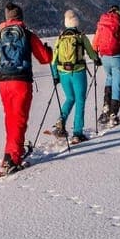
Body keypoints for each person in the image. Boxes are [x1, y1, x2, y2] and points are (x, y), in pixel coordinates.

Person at [0, 2, 53, 176]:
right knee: (19, 120)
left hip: (4, 82)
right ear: (21, 17)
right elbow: (44, 59)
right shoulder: (27, 35)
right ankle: (13, 159)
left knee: (10, 119)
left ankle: (11, 152)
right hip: (21, 81)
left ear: (7, 19)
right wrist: (48, 51)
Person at [50, 9, 102, 144]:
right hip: (78, 72)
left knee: (69, 98)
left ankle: (60, 121)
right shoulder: (80, 37)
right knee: (80, 101)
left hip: (63, 73)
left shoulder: (60, 38)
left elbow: (53, 59)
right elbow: (91, 53)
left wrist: (55, 75)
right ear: (76, 22)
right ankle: (77, 133)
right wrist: (97, 59)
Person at [92, 4, 120, 126]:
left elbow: (95, 40)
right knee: (117, 83)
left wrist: (96, 56)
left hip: (104, 57)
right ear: (118, 11)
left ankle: (106, 107)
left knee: (109, 78)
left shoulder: (102, 21)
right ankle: (113, 113)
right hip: (117, 56)